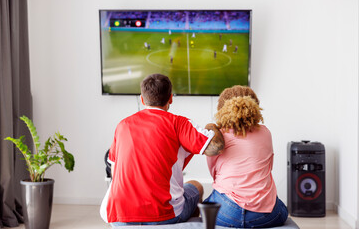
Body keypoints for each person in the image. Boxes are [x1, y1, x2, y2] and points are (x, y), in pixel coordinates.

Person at [100, 74, 225, 226]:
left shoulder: (122, 125)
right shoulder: (178, 123)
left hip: (119, 217)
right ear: (170, 98)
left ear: (142, 99)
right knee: (196, 186)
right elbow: (215, 147)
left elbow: (114, 171)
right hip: (164, 215)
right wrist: (211, 127)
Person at [204, 85, 288, 228]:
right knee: (282, 209)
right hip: (263, 216)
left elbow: (214, 173)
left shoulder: (219, 136)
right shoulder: (265, 132)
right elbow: (269, 167)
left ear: (222, 109)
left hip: (225, 213)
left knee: (206, 203)